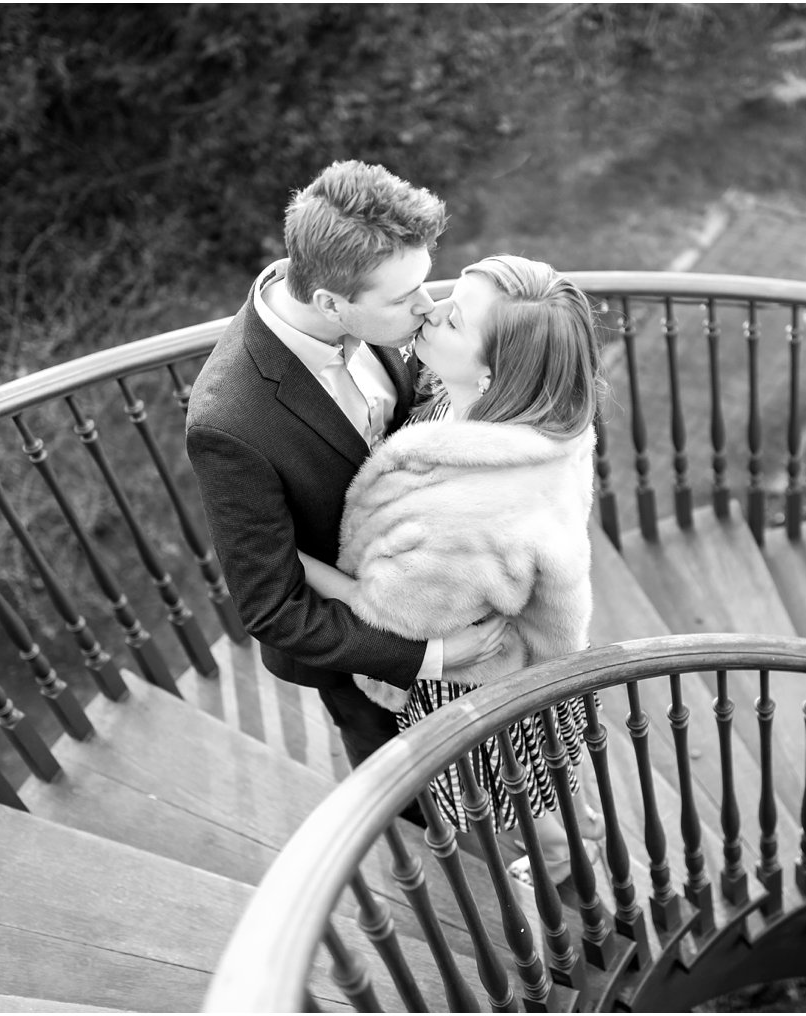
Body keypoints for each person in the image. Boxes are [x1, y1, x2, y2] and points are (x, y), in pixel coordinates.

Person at [186, 161, 510, 782]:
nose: (428, 306)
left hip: (425, 577)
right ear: (330, 303)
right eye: (404, 297)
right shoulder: (228, 423)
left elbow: (412, 409)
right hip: (354, 648)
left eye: (426, 281)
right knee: (400, 772)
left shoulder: (376, 311)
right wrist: (428, 658)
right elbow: (273, 607)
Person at [296, 254, 605, 883]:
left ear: (491, 372)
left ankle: (561, 855)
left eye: (454, 320)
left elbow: (391, 609)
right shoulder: (532, 420)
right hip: (533, 649)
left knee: (515, 789)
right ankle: (583, 835)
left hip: (485, 673)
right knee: (548, 776)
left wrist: (294, 561)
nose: (428, 311)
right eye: (447, 294)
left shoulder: (472, 513)